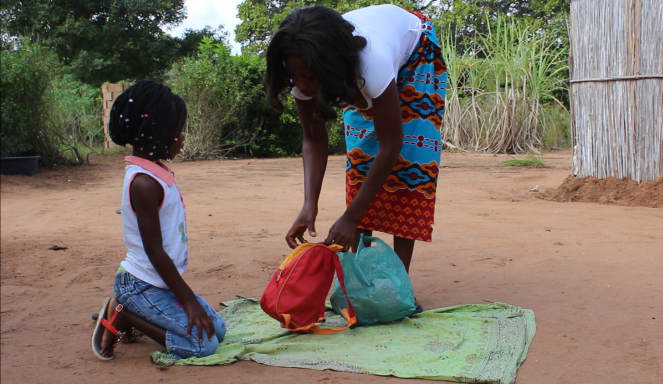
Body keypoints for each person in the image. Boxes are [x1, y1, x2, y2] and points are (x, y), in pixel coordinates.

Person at [264, 5, 447, 294]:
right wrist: (309, 204)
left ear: (326, 66)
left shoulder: (371, 63)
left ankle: (398, 288)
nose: (301, 85)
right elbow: (313, 138)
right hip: (351, 67)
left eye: (308, 76)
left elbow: (391, 144)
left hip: (416, 51)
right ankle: (363, 284)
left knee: (410, 164)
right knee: (361, 161)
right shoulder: (305, 67)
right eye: (293, 75)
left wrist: (350, 217)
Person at [91, 80, 226, 360]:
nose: (182, 139)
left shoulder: (156, 172)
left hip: (159, 282)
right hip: (140, 285)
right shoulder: (143, 183)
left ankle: (135, 314)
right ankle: (125, 314)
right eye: (178, 132)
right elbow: (154, 250)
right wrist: (188, 300)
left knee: (219, 329)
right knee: (204, 346)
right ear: (159, 135)